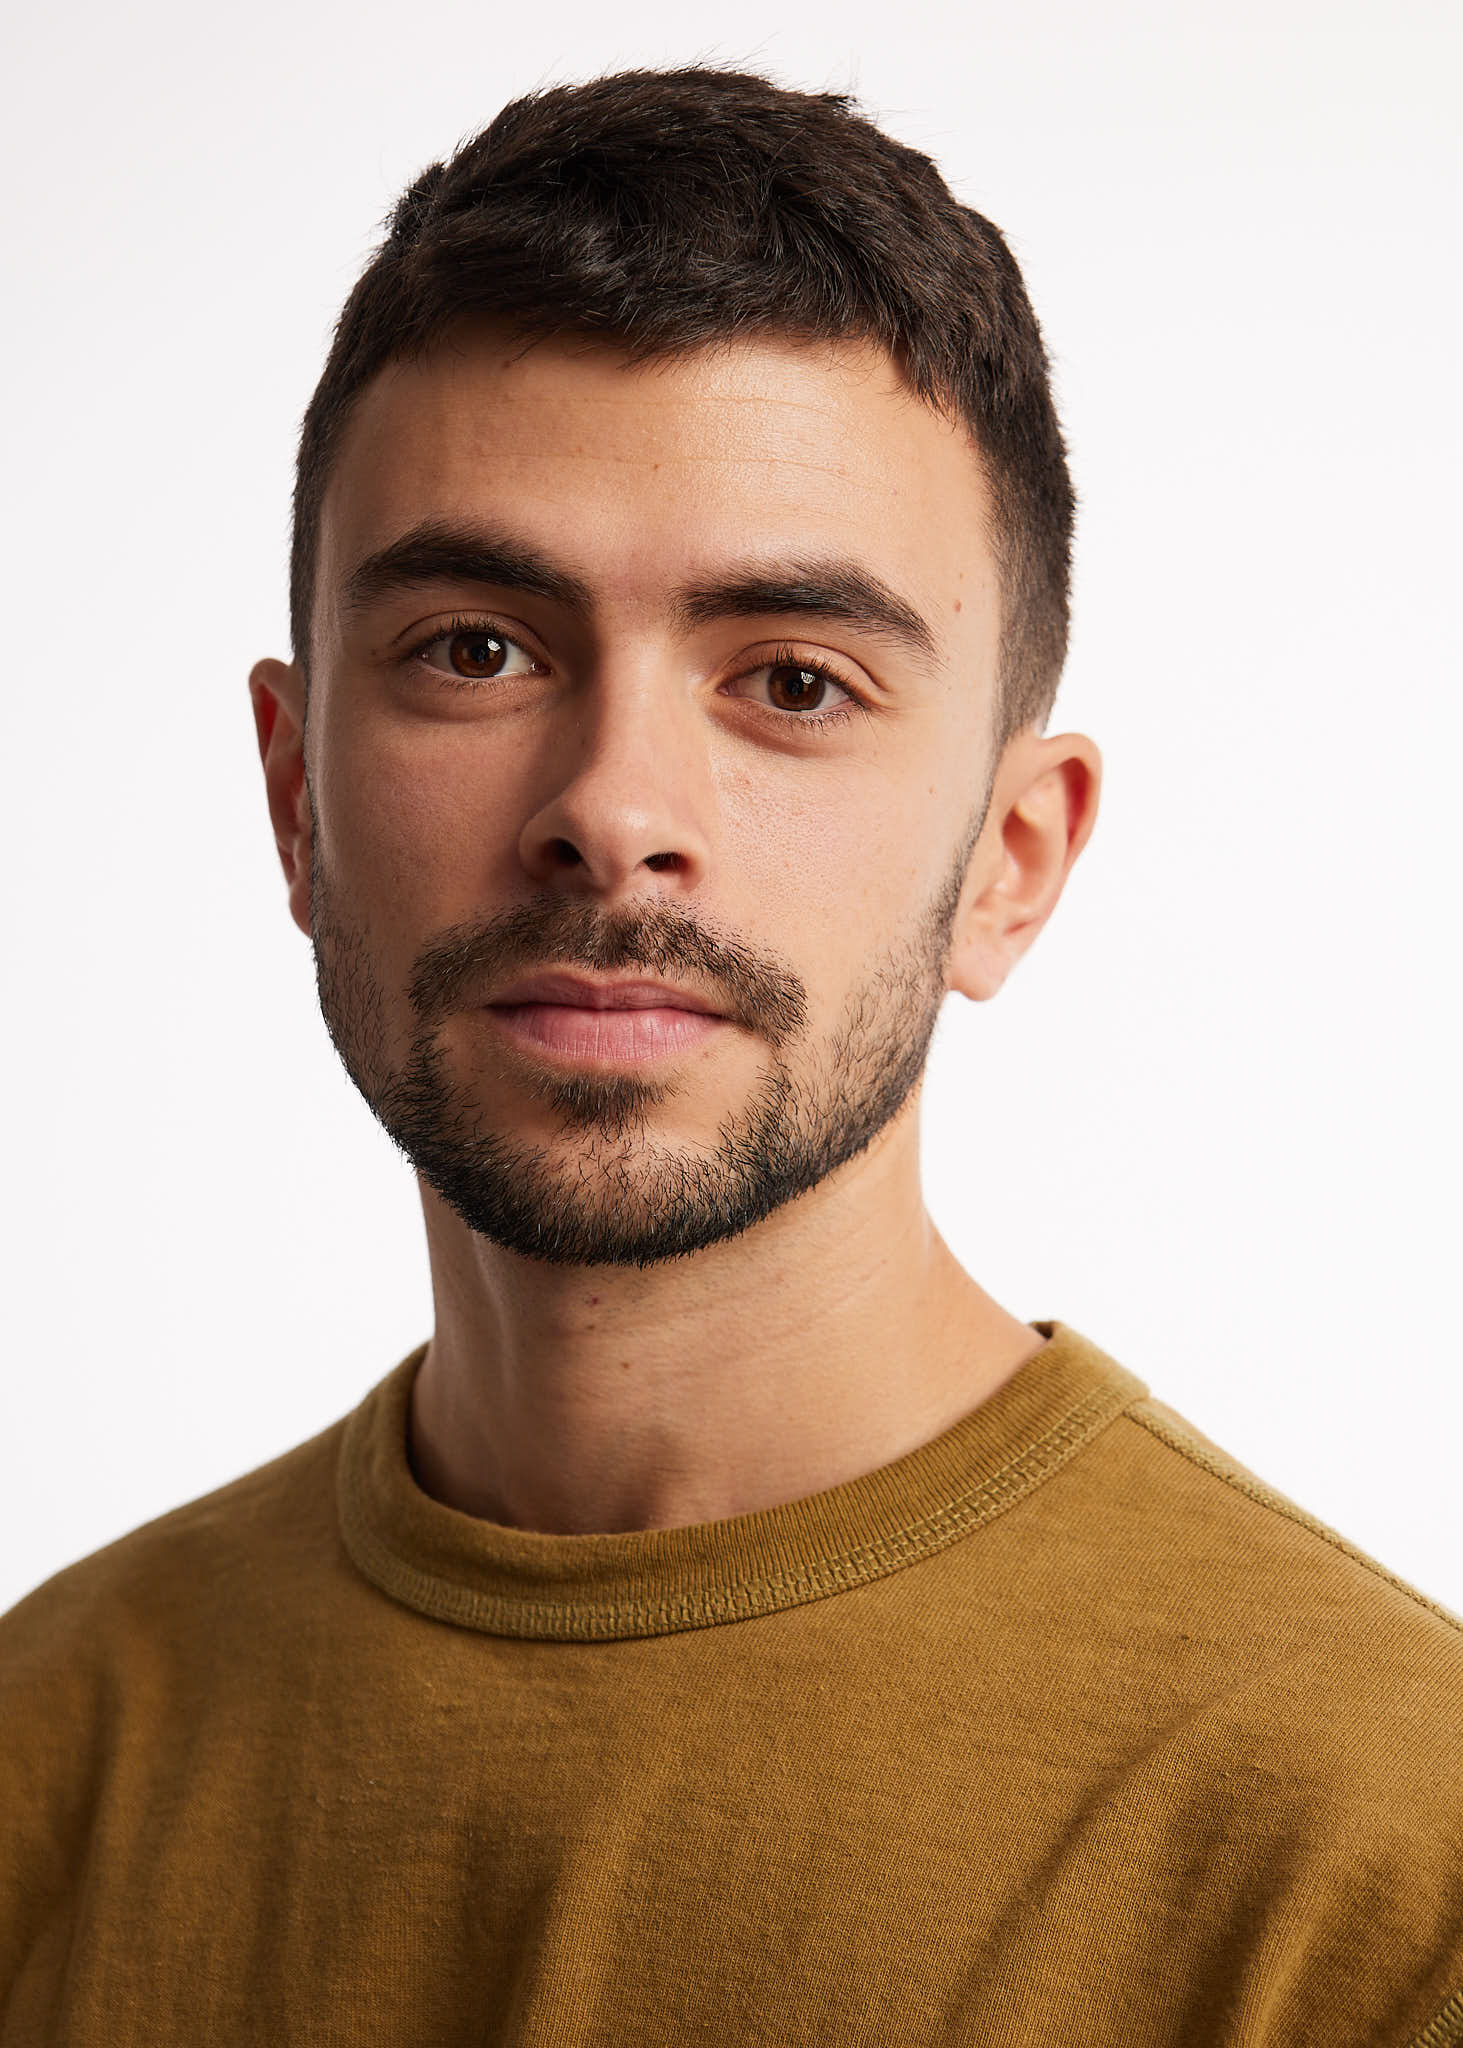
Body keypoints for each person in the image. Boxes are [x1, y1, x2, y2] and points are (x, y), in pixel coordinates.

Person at [2, 64, 1459, 2048]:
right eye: (477, 649)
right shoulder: (45, 1755)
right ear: (293, 796)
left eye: (792, 680)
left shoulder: (1384, 1861)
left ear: (1009, 865)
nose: (613, 808)